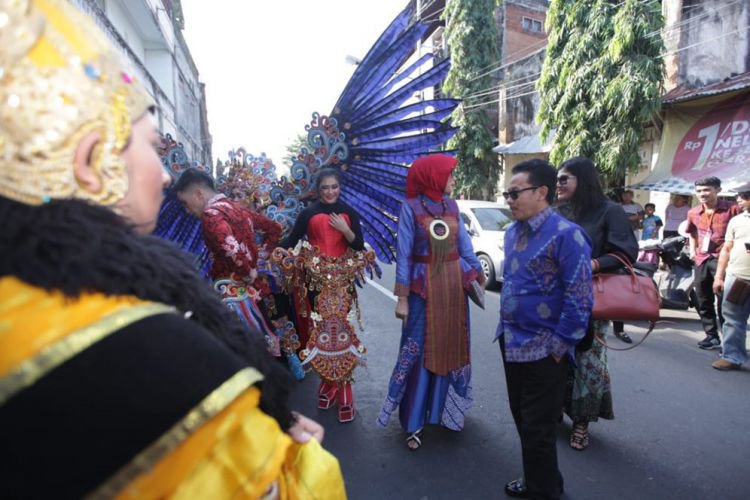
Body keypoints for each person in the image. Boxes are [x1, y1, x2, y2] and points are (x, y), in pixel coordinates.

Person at [0, 1, 345, 497]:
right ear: (92, 160)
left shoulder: (33, 298)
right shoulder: (150, 351)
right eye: (147, 145)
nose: (163, 176)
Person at [498, 159, 592, 499]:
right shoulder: (511, 233)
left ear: (542, 192)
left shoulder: (568, 236)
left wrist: (559, 347)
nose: (509, 199)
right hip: (510, 342)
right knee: (524, 423)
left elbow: (579, 298)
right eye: (506, 193)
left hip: (544, 349)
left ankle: (544, 492)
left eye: (515, 193)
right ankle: (543, 483)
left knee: (539, 431)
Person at [377, 154, 485, 451]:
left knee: (453, 346)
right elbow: (404, 255)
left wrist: (477, 274)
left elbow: (464, 246)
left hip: (453, 289)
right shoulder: (410, 208)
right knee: (418, 351)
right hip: (422, 291)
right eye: (449, 174)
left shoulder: (452, 206)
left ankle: (445, 413)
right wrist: (402, 299)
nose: (453, 180)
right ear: (433, 176)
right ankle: (413, 422)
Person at [555, 157, 638, 451]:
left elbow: (626, 253)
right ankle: (554, 412)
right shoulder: (557, 211)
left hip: (590, 301)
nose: (558, 184)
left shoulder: (609, 211)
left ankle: (581, 423)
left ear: (583, 179)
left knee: (588, 361)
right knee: (555, 358)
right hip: (553, 300)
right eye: (557, 179)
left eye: (564, 179)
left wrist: (593, 264)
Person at [277, 168, 372, 423]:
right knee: (321, 336)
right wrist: (274, 251)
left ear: (340, 188)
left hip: (342, 283)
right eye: (325, 188)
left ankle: (345, 394)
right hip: (316, 283)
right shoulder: (308, 214)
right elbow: (292, 239)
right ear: (318, 190)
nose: (330, 192)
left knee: (341, 337)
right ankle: (329, 385)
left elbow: (358, 245)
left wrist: (345, 229)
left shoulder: (349, 214)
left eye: (334, 187)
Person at [174, 169, 282, 356]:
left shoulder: (211, 215)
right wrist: (259, 258)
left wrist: (248, 270)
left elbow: (228, 245)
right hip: (254, 292)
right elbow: (274, 229)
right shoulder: (238, 209)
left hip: (233, 295)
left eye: (185, 203)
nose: (187, 210)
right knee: (263, 347)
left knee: (242, 354)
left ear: (198, 194)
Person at [685, 177, 741, 350]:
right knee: (703, 299)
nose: (702, 194)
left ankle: (728, 341)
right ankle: (711, 336)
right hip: (702, 259)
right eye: (699, 191)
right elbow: (692, 232)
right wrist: (693, 251)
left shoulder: (733, 209)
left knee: (724, 301)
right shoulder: (693, 212)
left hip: (723, 260)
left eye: (707, 190)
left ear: (718, 190)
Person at [711, 185, 750, 370]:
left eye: (744, 196)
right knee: (733, 319)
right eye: (739, 196)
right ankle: (732, 357)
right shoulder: (737, 221)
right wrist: (719, 277)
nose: (739, 200)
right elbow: (726, 249)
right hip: (738, 278)